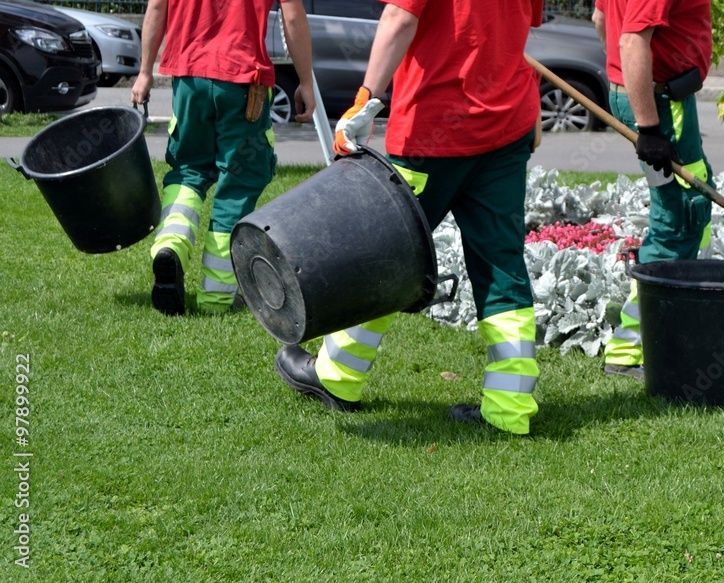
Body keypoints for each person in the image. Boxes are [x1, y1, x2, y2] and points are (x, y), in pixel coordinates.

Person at [274, 0, 544, 435]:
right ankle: (510, 408)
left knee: (383, 250)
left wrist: (365, 98)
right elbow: (517, 27)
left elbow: (401, 17)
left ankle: (337, 376)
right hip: (505, 126)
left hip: (432, 129)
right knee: (501, 264)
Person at [131, 0, 315, 316]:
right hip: (243, 82)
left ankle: (170, 245)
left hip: (189, 78)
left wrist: (145, 72)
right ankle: (215, 298)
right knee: (238, 183)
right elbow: (293, 15)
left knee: (188, 171)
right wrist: (306, 81)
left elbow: (157, 7)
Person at [593, 0, 715, 381]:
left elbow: (601, 20)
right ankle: (632, 347)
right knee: (680, 217)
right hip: (662, 104)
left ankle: (686, 298)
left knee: (694, 200)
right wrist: (648, 124)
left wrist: (624, 82)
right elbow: (631, 40)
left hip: (659, 97)